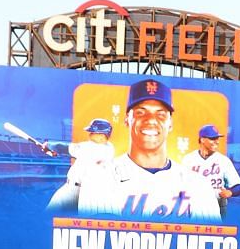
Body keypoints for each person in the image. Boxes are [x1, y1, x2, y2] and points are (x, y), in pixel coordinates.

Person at [65, 78, 221, 223]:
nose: (151, 120)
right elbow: (102, 244)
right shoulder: (99, 179)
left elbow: (211, 248)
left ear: (170, 123)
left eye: (160, 114)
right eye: (141, 112)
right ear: (127, 119)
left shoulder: (199, 185)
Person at [184, 123, 240, 206]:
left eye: (217, 138)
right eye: (213, 138)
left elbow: (238, 186)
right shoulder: (188, 159)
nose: (217, 141)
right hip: (195, 206)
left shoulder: (223, 160)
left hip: (217, 206)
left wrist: (230, 192)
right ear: (202, 140)